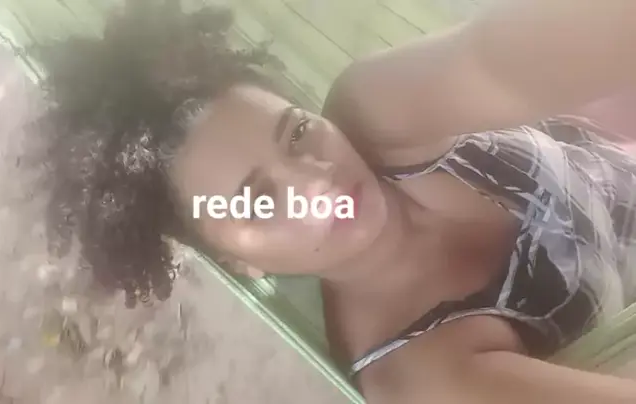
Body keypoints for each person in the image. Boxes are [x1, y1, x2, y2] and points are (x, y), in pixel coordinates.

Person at [36, 0, 636, 403]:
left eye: (297, 132)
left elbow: (505, 54)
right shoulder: (422, 376)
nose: (316, 180)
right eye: (261, 200)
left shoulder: (371, 112)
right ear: (242, 262)